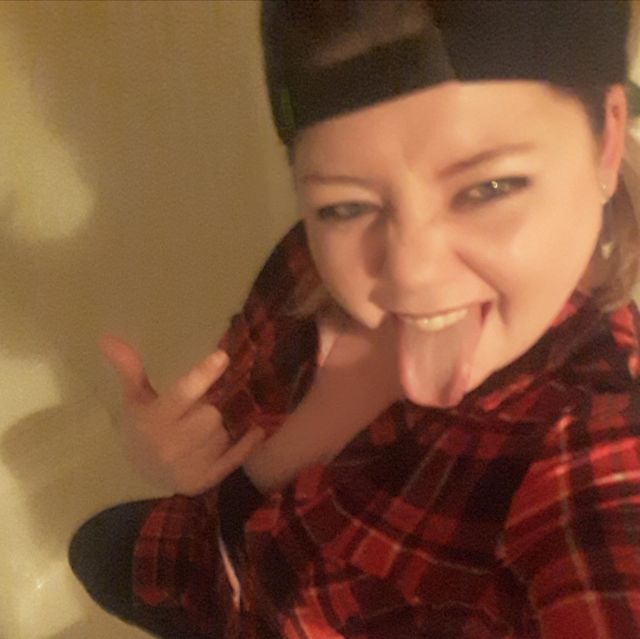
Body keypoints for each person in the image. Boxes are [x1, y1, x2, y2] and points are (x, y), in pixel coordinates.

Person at [69, 1, 640, 637]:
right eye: (346, 206)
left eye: (490, 188)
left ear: (607, 139)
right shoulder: (307, 259)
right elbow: (230, 406)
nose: (410, 274)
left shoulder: (598, 440)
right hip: (211, 560)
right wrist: (163, 455)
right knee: (91, 547)